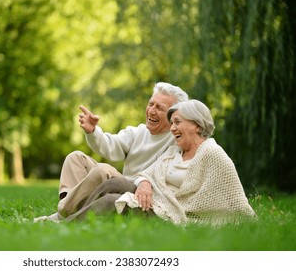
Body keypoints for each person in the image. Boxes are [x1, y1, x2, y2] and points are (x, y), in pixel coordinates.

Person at [64, 99, 256, 225]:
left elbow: (235, 198)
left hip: (171, 214)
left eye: (177, 122)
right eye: (172, 123)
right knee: (114, 183)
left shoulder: (213, 154)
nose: (172, 128)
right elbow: (147, 173)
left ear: (197, 126)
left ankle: (66, 226)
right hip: (158, 201)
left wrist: (245, 219)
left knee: (110, 201)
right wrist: (145, 182)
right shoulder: (175, 151)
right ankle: (71, 217)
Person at [33, 82, 189, 222]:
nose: (151, 111)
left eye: (160, 108)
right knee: (75, 158)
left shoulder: (176, 138)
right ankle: (69, 210)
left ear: (173, 115)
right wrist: (93, 131)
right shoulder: (138, 132)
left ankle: (62, 214)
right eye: (151, 104)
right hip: (115, 185)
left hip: (137, 191)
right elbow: (110, 146)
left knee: (103, 170)